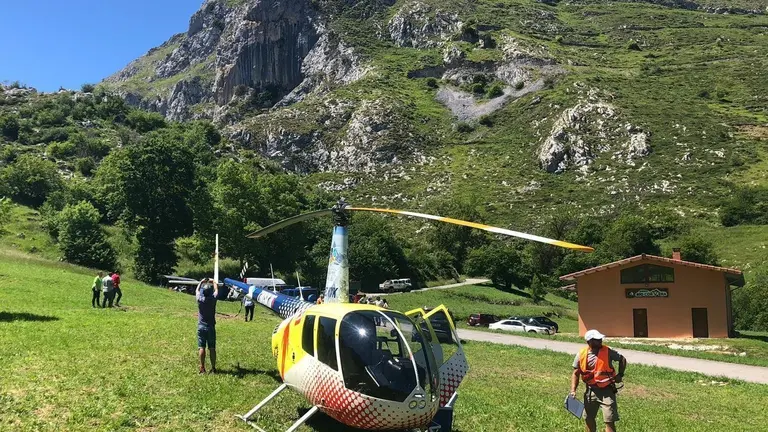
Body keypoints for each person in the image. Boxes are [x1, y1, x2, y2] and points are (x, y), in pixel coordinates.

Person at [570, 329, 627, 432]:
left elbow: (622, 359)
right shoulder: (581, 354)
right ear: (589, 342)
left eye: (600, 338)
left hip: (607, 391)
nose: (600, 340)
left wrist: (620, 374)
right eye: (597, 339)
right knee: (588, 418)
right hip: (590, 391)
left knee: (609, 420)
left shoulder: (608, 351)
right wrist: (573, 390)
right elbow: (576, 373)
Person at [196, 278, 218, 374]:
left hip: (201, 326)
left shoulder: (200, 299)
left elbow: (197, 290)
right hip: (211, 327)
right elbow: (217, 290)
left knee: (202, 347)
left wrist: (201, 282)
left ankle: (202, 368)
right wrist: (214, 282)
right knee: (212, 348)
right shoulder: (213, 299)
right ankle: (213, 368)